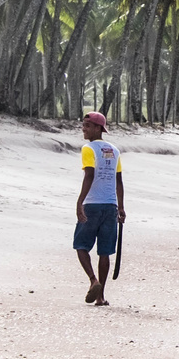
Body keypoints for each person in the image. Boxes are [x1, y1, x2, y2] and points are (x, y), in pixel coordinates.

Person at [73, 112, 123, 306]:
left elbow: (89, 175)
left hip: (92, 204)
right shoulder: (114, 150)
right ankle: (101, 296)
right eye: (83, 125)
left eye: (87, 125)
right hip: (111, 206)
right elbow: (119, 181)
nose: (84, 129)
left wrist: (80, 202)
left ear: (98, 128)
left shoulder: (88, 149)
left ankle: (93, 280)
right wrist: (121, 207)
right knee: (105, 251)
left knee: (80, 245)